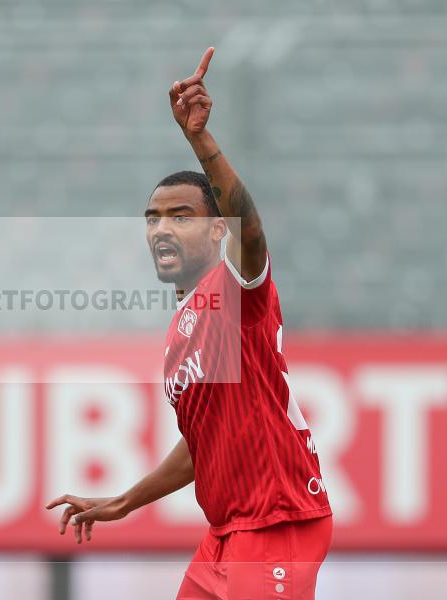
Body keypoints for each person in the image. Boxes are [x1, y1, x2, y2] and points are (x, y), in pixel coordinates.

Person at [46, 47, 332, 599]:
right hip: (225, 534)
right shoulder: (186, 323)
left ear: (217, 230)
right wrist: (121, 502)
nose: (162, 229)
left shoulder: (233, 289)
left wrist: (201, 141)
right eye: (153, 218)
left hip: (276, 523)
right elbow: (204, 443)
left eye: (182, 216)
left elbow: (252, 231)